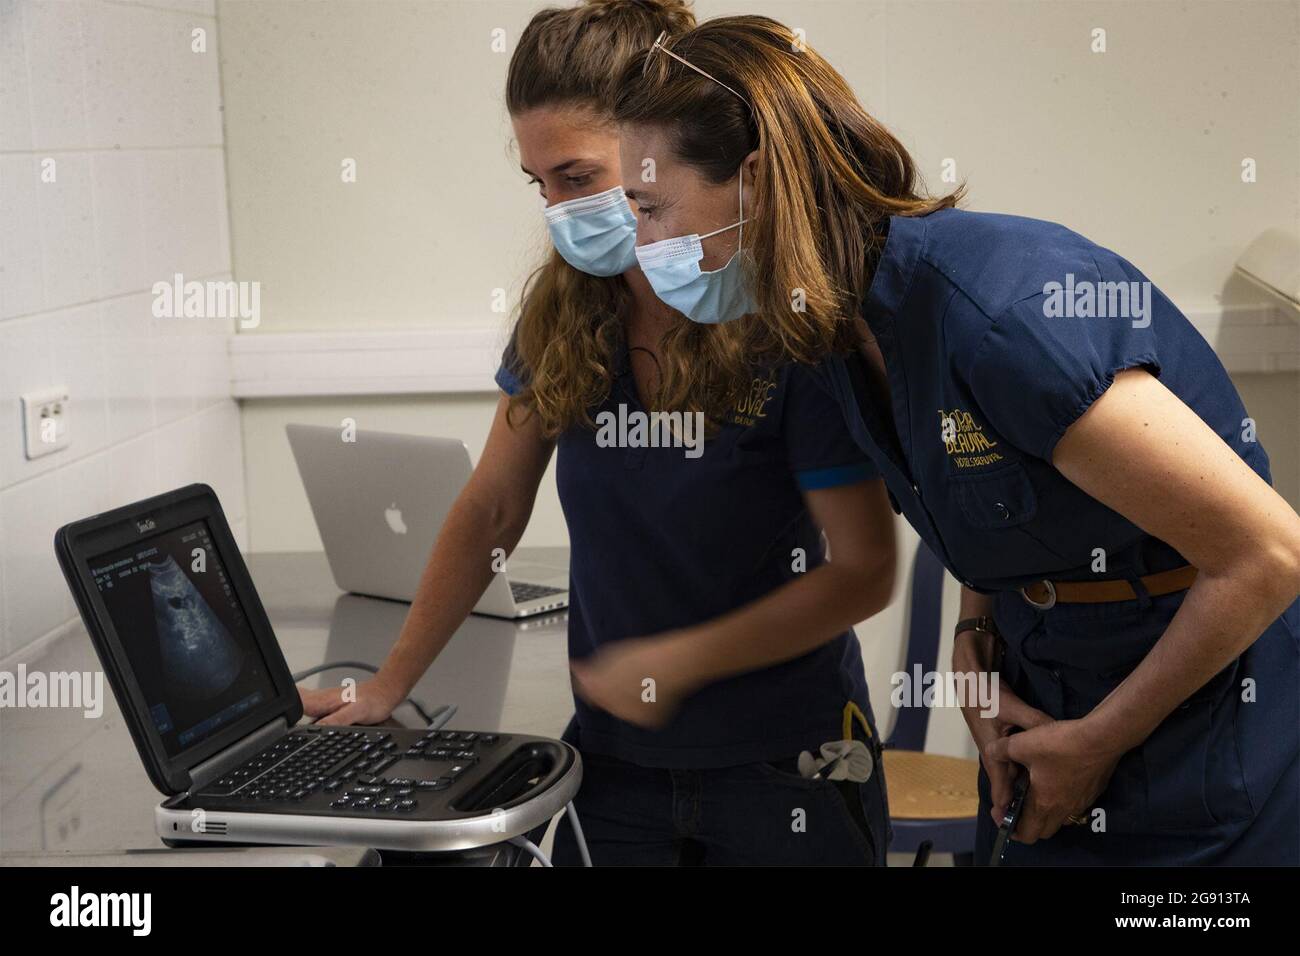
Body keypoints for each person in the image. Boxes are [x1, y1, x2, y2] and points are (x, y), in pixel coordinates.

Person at [611, 15, 1300, 865]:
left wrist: (1098, 742)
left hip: (1205, 722)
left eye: (648, 207)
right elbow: (986, 512)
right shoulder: (835, 329)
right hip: (1044, 709)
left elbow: (1265, 555)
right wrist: (974, 650)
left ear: (754, 178)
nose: (642, 248)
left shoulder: (1005, 315)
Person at [300, 0, 899, 866]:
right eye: (537, 183)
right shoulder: (569, 313)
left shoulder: (784, 322)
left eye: (577, 179)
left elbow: (862, 571)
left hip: (786, 766)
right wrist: (390, 682)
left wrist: (676, 664)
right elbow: (494, 507)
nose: (556, 210)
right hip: (615, 768)